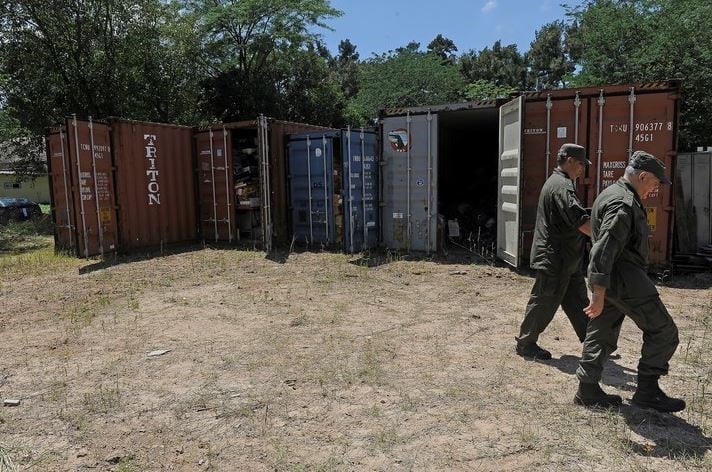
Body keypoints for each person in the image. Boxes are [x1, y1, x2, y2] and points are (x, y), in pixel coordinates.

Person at [574, 151, 685, 412]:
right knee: (664, 331)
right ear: (643, 176)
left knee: (601, 332)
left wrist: (602, 290)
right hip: (626, 280)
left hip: (614, 280)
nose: (655, 189)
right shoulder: (623, 204)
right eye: (655, 183)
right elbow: (603, 249)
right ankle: (647, 391)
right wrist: (597, 292)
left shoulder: (609, 193)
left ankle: (587, 389)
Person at [515, 143, 592, 360]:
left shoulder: (560, 182)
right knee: (544, 300)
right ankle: (526, 343)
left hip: (567, 257)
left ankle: (594, 341)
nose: (582, 170)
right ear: (569, 161)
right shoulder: (562, 186)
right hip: (555, 257)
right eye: (580, 165)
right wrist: (604, 237)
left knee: (578, 300)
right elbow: (579, 221)